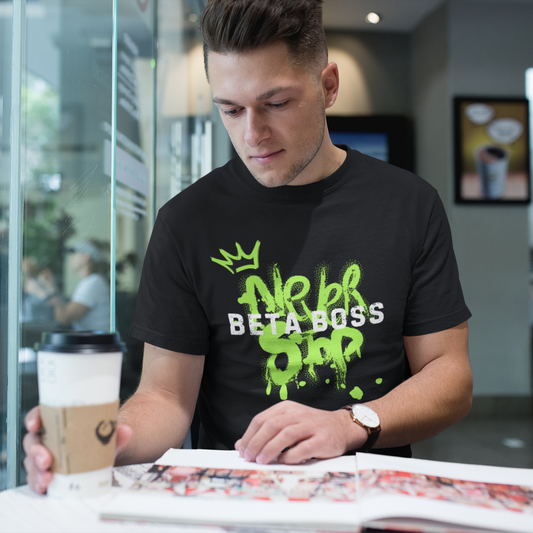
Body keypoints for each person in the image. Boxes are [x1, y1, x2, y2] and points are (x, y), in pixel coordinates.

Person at [23, 0, 473, 494]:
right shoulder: (186, 222)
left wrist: (349, 423)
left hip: (369, 493)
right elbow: (166, 396)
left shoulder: (407, 204)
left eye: (276, 103)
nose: (252, 134)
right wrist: (110, 440)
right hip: (232, 496)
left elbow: (449, 375)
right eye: (231, 110)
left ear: (328, 86)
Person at [24, 240, 110, 331]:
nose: (71, 257)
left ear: (86, 257)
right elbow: (64, 310)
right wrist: (51, 288)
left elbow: (64, 318)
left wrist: (42, 293)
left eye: (75, 253)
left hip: (99, 343)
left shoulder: (92, 283)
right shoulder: (92, 281)